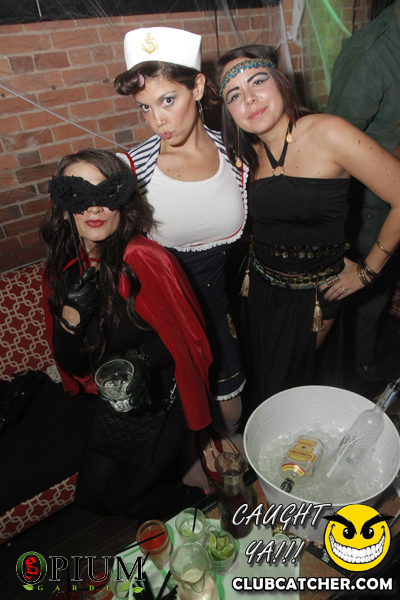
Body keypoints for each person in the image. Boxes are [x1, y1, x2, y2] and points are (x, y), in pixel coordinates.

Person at [216, 44, 400, 414]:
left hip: (315, 296)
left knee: (285, 390)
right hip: (257, 288)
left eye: (257, 81)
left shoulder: (328, 132)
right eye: (234, 95)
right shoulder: (244, 155)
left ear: (280, 81)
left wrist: (368, 271)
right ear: (229, 111)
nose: (249, 99)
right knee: (259, 380)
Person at [40, 149, 213, 520]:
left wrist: (139, 360)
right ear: (64, 208)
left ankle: (196, 503)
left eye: (105, 193)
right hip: (117, 401)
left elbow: (186, 339)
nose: (94, 207)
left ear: (122, 201)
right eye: (78, 195)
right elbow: (72, 365)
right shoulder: (61, 270)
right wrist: (71, 321)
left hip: (165, 398)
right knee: (89, 498)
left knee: (120, 500)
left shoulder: (144, 258)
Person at [114, 27, 248, 451]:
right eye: (145, 107)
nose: (157, 121)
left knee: (231, 412)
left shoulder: (238, 154)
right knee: (177, 424)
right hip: (162, 315)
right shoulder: (133, 168)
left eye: (168, 100)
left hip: (223, 306)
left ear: (199, 87)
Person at [326, 0, 400, 384]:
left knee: (382, 286)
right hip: (370, 204)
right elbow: (334, 143)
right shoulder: (370, 52)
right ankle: (357, 374)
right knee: (367, 294)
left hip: (392, 200)